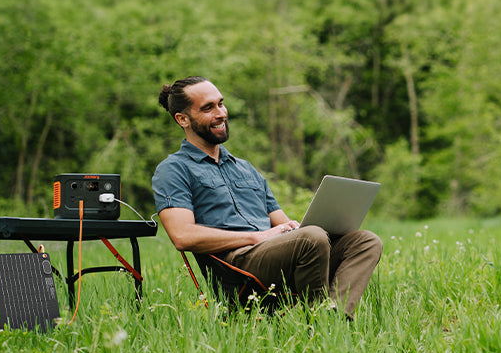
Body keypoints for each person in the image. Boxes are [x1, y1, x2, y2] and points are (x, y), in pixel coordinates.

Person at [151, 76, 383, 319]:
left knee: (365, 241)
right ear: (182, 119)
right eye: (208, 108)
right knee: (312, 237)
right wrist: (257, 236)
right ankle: (317, 324)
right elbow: (182, 236)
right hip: (237, 266)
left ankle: (335, 318)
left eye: (221, 104)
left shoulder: (244, 168)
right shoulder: (174, 169)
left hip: (273, 254)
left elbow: (283, 222)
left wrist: (315, 225)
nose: (221, 113)